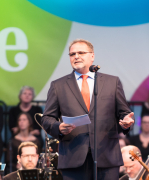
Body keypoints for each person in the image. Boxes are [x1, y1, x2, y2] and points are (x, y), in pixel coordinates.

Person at [41, 39, 134, 180]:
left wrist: (126, 120)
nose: (76, 56)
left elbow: (123, 112)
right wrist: (58, 127)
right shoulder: (58, 86)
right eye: (72, 54)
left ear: (92, 56)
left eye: (81, 52)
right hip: (73, 158)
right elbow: (47, 118)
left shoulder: (112, 82)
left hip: (106, 157)